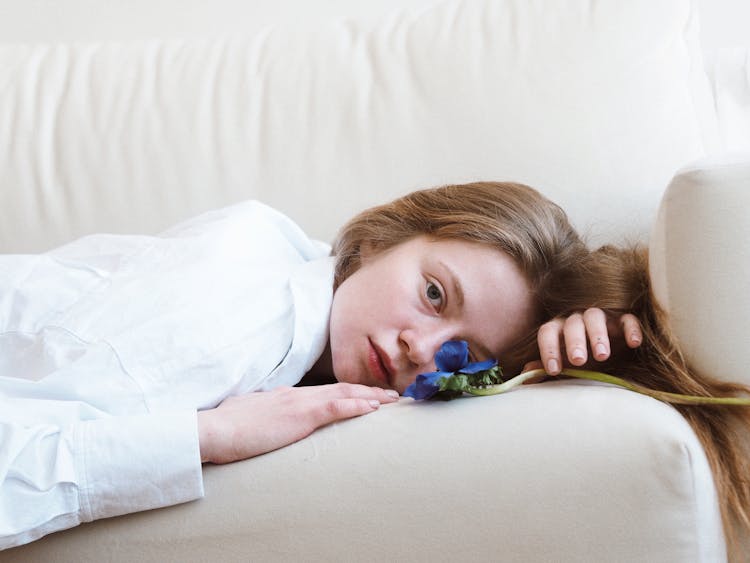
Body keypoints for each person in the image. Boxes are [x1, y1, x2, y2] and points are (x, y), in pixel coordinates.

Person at [0, 181, 736, 552]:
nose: (423, 346)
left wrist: (576, 354)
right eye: (434, 291)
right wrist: (203, 435)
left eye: (466, 354)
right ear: (388, 236)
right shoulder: (245, 311)